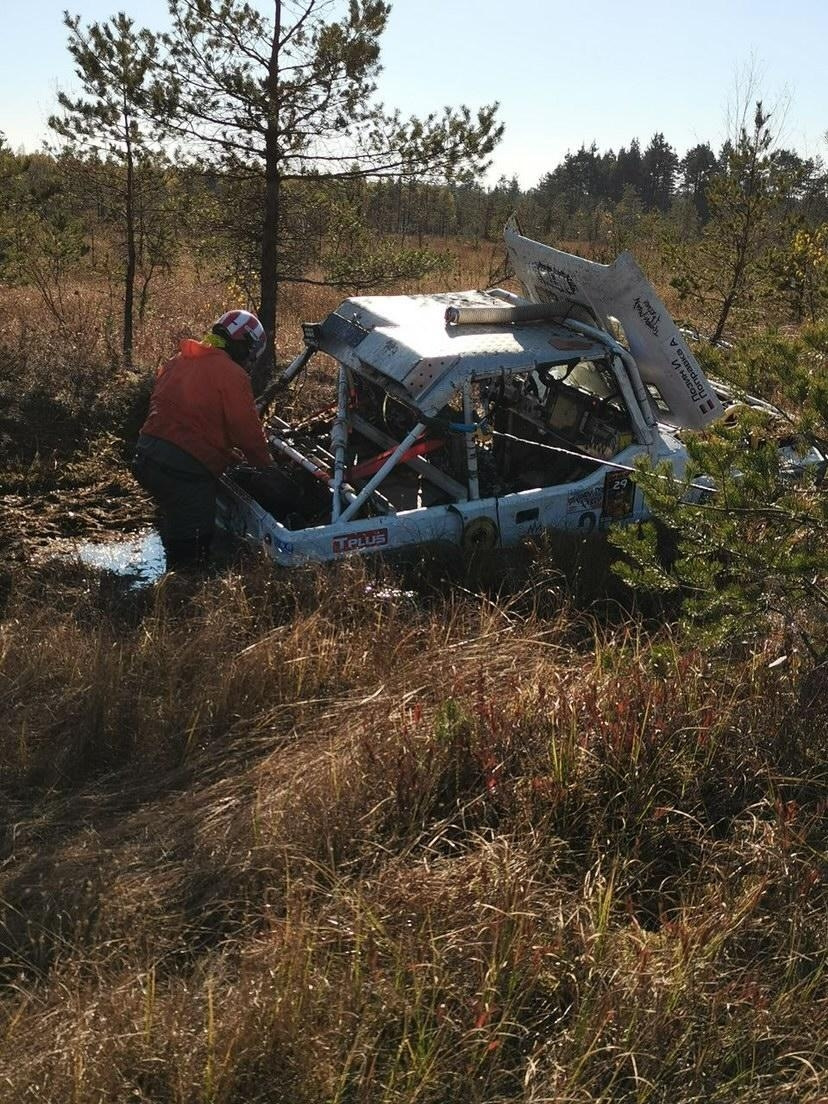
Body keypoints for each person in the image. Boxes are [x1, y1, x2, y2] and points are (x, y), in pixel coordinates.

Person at [132, 309, 274, 569]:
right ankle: (179, 595)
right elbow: (248, 433)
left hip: (146, 456)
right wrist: (268, 470)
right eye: (251, 355)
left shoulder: (179, 361)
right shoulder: (232, 374)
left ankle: (167, 566)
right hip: (180, 471)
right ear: (244, 345)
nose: (249, 362)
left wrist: (225, 455)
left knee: (175, 519)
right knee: (194, 546)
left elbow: (182, 416)